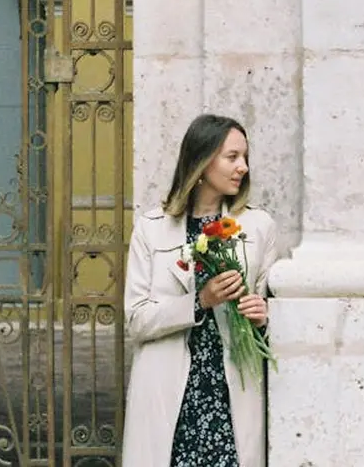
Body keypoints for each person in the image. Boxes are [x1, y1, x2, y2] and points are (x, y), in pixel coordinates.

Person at [122, 114, 279, 467]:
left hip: (230, 389)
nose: (243, 167)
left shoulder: (258, 227)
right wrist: (199, 301)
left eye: (245, 158)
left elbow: (272, 312)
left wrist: (264, 317)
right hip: (170, 393)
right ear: (203, 161)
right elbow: (136, 319)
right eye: (232, 157)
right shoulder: (151, 228)